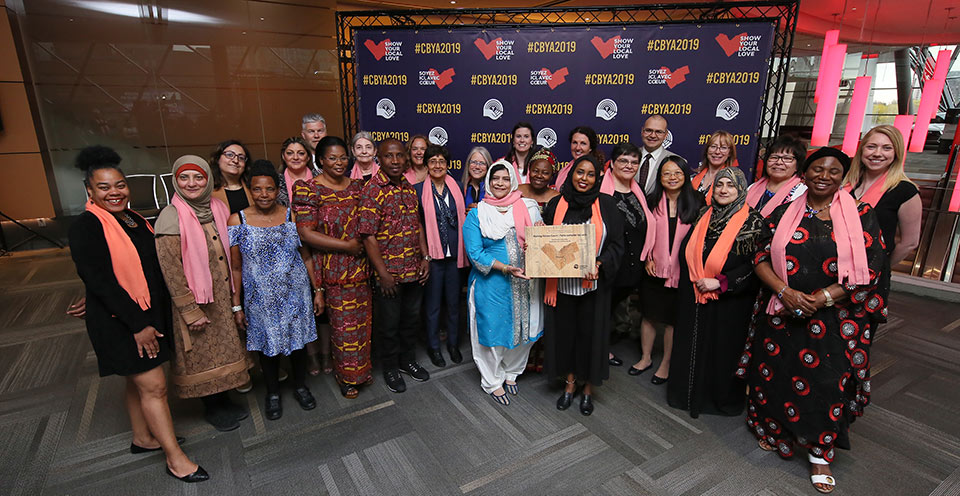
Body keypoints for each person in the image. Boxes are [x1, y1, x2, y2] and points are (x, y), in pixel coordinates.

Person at [738, 147, 885, 494]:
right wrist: (785, 293)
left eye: (833, 171)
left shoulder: (861, 214)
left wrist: (819, 299)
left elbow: (870, 268)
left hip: (832, 319)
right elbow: (759, 254)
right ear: (804, 174)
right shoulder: (785, 211)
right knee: (775, 374)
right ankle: (774, 429)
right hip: (781, 312)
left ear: (843, 177)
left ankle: (820, 453)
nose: (824, 176)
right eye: (817, 169)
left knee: (825, 383)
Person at [67, 146, 207, 483]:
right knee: (155, 387)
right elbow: (101, 280)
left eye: (119, 185)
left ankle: (143, 438)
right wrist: (139, 325)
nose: (114, 192)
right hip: (124, 322)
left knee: (137, 381)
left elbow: (138, 267)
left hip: (143, 311)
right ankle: (176, 459)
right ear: (89, 190)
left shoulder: (131, 218)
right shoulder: (86, 226)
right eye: (104, 187)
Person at [155, 155, 253, 433]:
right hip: (196, 299)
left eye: (198, 177)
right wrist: (189, 310)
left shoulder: (218, 208)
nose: (192, 183)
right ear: (175, 180)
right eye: (184, 178)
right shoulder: (171, 216)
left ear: (208, 179)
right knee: (202, 354)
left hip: (221, 296)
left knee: (223, 350)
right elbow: (170, 269)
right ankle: (211, 406)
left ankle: (223, 399)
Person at [668, 167, 763, 418]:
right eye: (719, 184)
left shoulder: (753, 222)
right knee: (690, 345)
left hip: (729, 302)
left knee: (722, 350)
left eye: (730, 186)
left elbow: (757, 265)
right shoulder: (703, 214)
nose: (723, 190)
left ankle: (716, 401)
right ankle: (686, 396)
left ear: (741, 189)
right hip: (693, 293)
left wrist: (721, 282)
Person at [228, 161, 319, 420]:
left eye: (269, 189)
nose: (264, 195)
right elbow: (235, 267)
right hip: (261, 299)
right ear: (250, 190)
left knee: (299, 344)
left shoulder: (290, 215)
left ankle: (301, 387)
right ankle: (273, 393)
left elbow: (306, 256)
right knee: (268, 349)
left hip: (296, 294)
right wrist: (236, 304)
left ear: (278, 189)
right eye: (257, 189)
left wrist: (318, 289)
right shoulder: (238, 220)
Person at [543, 155, 624, 416]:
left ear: (597, 178)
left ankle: (587, 389)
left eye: (590, 174)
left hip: (594, 287)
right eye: (580, 172)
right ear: (571, 173)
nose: (584, 178)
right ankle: (569, 384)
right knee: (566, 337)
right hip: (563, 287)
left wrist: (600, 263)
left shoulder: (608, 205)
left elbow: (617, 245)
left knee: (591, 339)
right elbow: (545, 242)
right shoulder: (556, 204)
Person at [294, 136, 374, 398]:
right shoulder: (308, 189)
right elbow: (305, 233)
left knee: (362, 325)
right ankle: (346, 377)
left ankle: (361, 371)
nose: (339, 163)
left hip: (361, 268)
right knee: (342, 328)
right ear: (320, 161)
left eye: (342, 157)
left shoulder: (358, 187)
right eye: (332, 158)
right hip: (332, 269)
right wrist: (346, 246)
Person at [463, 160, 544, 405]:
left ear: (513, 181)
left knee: (523, 332)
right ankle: (492, 380)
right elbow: (475, 253)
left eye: (505, 178)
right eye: (495, 178)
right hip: (492, 284)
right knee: (493, 332)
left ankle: (511, 372)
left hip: (527, 283)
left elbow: (541, 241)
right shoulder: (478, 212)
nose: (500, 183)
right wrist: (506, 268)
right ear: (488, 181)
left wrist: (540, 233)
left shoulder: (528, 207)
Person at [358, 138, 431, 393]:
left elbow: (417, 224)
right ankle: (389, 367)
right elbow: (367, 235)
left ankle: (406, 361)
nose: (396, 161)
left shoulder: (409, 187)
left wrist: (425, 257)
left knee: (411, 321)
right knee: (388, 325)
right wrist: (383, 274)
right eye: (390, 156)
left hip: (414, 269)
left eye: (400, 156)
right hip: (389, 274)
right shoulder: (372, 190)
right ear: (379, 157)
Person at [632, 155, 704, 384]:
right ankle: (645, 358)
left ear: (685, 176)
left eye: (677, 173)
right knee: (649, 315)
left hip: (682, 272)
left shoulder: (698, 202)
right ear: (659, 177)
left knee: (673, 320)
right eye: (666, 173)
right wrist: (647, 259)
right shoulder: (650, 201)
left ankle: (665, 363)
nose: (672, 178)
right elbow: (642, 234)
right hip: (653, 269)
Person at [598, 143, 656, 368]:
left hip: (633, 267)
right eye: (623, 160)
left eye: (634, 162)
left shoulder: (637, 191)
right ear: (612, 164)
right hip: (609, 265)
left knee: (611, 310)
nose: (629, 166)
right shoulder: (602, 193)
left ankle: (603, 348)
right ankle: (598, 353)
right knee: (601, 311)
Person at [414, 144, 467, 367]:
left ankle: (453, 345)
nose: (437, 165)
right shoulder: (417, 190)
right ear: (426, 165)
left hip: (455, 256)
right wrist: (425, 256)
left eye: (441, 162)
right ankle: (434, 347)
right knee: (433, 306)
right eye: (433, 161)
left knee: (454, 305)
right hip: (433, 259)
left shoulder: (457, 187)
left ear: (447, 165)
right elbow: (417, 227)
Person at [843, 124, 921, 268]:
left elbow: (909, 243)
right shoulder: (845, 183)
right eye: (871, 147)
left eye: (887, 148)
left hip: (871, 272)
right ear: (862, 150)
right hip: (831, 267)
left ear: (896, 153)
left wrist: (881, 268)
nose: (877, 153)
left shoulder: (905, 191)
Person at [746, 135, 808, 217]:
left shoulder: (802, 193)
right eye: (774, 157)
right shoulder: (752, 188)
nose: (779, 162)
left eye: (787, 158)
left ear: (797, 166)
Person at [692, 131, 737, 203]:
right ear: (707, 150)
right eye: (713, 146)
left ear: (729, 153)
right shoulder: (693, 178)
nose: (717, 152)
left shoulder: (732, 182)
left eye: (723, 148)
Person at [210, 140, 254, 214]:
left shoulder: (253, 188)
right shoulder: (208, 191)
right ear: (217, 159)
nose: (236, 160)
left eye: (241, 157)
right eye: (230, 155)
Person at [276, 136, 320, 207]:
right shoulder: (276, 181)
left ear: (308, 157)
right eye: (290, 153)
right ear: (283, 156)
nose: (295, 157)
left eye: (301, 153)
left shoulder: (320, 177)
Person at [635, 116, 672, 194]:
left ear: (666, 135)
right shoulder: (627, 157)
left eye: (658, 132)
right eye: (648, 130)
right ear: (642, 131)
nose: (652, 135)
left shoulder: (675, 161)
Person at [462, 146, 492, 211]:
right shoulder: (459, 188)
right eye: (474, 162)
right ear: (468, 164)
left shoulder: (494, 190)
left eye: (482, 163)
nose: (477, 166)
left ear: (488, 166)